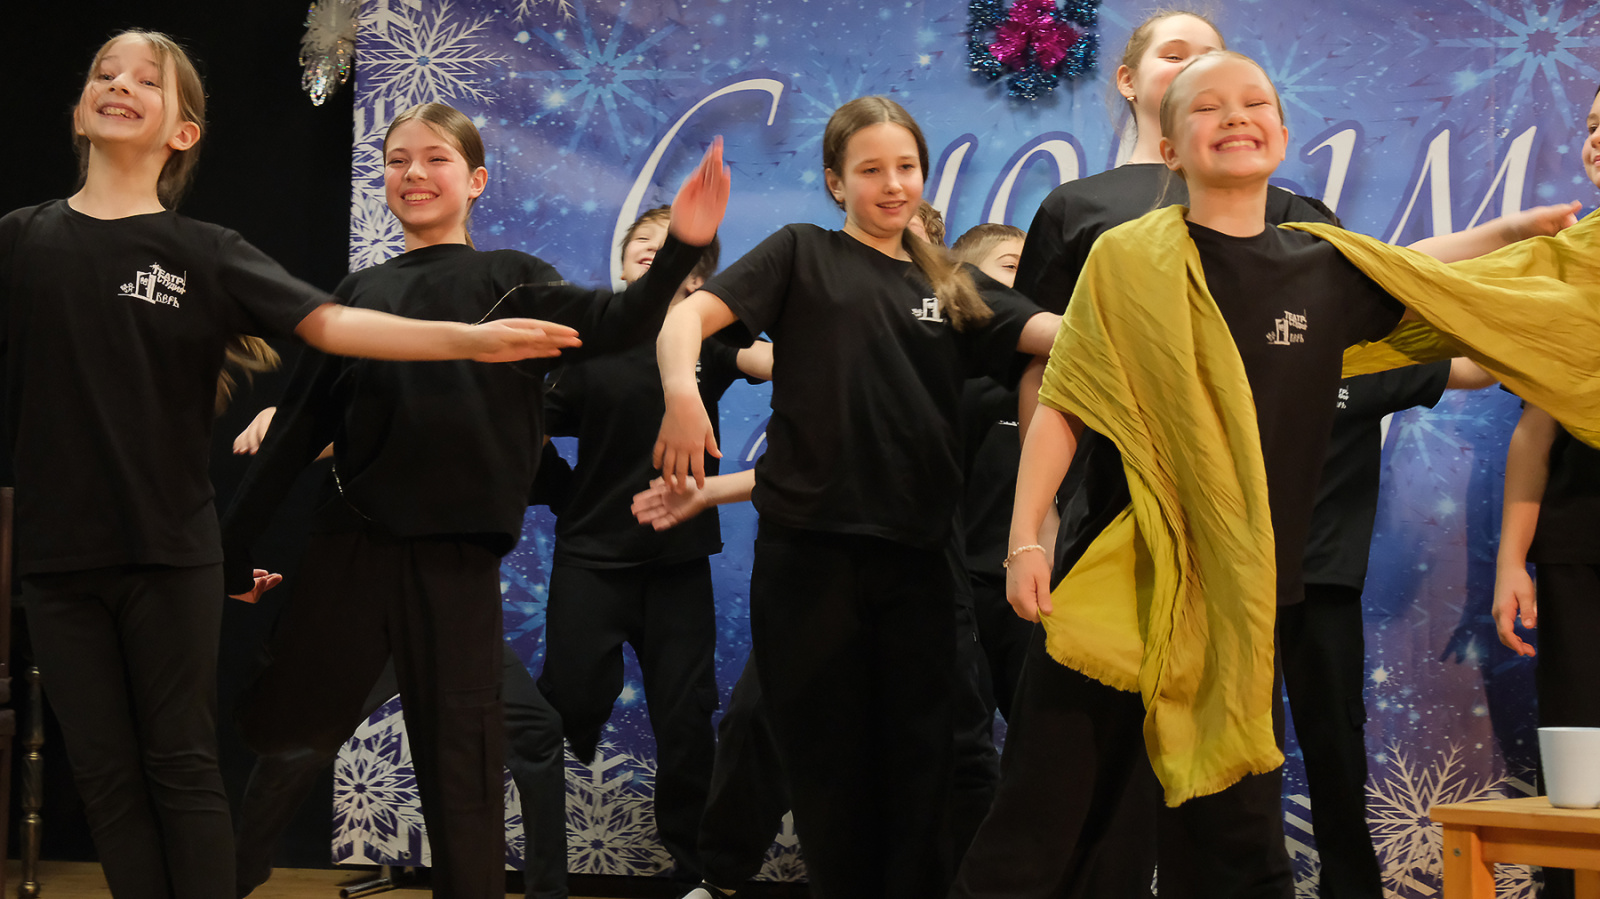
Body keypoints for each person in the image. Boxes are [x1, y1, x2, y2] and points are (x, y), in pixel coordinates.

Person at [963, 48, 1600, 899]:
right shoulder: (1127, 259)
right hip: (1117, 590)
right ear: (1169, 149)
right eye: (1207, 107)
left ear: (1283, 131)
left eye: (1254, 102)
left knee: (1236, 846)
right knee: (1037, 831)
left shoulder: (1319, 266)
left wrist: (1514, 233)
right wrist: (1025, 540)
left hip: (1242, 600)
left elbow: (1415, 270)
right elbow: (1066, 401)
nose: (1235, 116)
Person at [2, 32, 579, 899]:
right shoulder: (23, 238)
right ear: (80, 109)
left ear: (183, 131)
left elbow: (334, 329)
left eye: (146, 79)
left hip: (178, 548)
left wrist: (471, 341)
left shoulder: (207, 250)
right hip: (61, 555)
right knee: (114, 774)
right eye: (104, 73)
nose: (119, 84)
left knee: (184, 764)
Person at [220, 102, 728, 896]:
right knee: (289, 742)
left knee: (463, 772)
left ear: (476, 179)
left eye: (435, 159)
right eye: (397, 160)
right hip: (350, 554)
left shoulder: (513, 279)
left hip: (455, 565)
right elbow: (297, 432)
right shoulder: (359, 292)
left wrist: (684, 246)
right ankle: (227, 876)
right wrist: (230, 551)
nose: (414, 173)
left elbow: (623, 320)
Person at [651, 95, 1059, 898]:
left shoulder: (954, 283)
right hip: (808, 557)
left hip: (920, 561)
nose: (893, 184)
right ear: (837, 181)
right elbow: (684, 321)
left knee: (923, 767)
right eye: (871, 169)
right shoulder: (801, 252)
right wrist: (681, 394)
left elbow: (1057, 337)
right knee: (826, 767)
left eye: (906, 167)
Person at [536, 205, 768, 883]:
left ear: (697, 277)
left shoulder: (710, 343)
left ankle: (699, 875)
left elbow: (774, 360)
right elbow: (526, 425)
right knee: (569, 702)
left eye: (670, 247)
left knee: (686, 722)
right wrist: (562, 492)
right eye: (642, 241)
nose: (652, 249)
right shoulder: (589, 346)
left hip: (676, 563)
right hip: (591, 559)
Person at [1285, 358, 1493, 899]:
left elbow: (1479, 370)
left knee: (1336, 752)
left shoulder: (1364, 362)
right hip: (1229, 582)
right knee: (1233, 754)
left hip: (1323, 584)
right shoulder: (1241, 351)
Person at [1493, 87, 1600, 899]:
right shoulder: (1567, 264)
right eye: (1593, 125)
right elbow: (1535, 429)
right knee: (1581, 772)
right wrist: (1512, 562)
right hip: (1579, 547)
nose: (1598, 139)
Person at [951, 223, 1035, 722]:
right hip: (956, 588)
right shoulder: (945, 373)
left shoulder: (1052, 376)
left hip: (1035, 585)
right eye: (1010, 266)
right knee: (961, 734)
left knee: (1039, 731)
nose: (1026, 279)